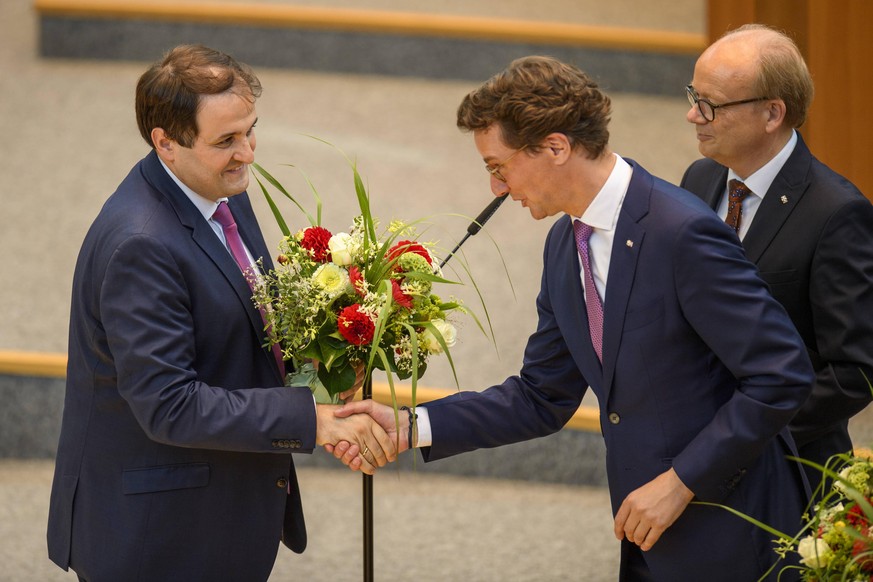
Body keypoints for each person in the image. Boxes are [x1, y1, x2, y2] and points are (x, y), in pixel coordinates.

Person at [330, 56, 814, 580]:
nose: (496, 187)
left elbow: (780, 375)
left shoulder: (681, 233)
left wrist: (680, 483)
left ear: (556, 147)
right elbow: (542, 396)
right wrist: (409, 427)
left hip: (733, 530)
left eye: (498, 166)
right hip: (646, 535)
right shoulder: (566, 243)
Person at [46, 45, 395, 581]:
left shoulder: (218, 188)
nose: (248, 153)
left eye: (250, 130)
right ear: (165, 143)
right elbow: (169, 406)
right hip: (159, 536)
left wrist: (330, 374)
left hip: (214, 511)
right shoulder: (141, 246)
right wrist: (311, 421)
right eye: (226, 141)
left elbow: (246, 320)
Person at [680, 24, 873, 487]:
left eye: (710, 104)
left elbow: (855, 370)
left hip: (785, 469)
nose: (692, 115)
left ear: (772, 114)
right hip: (689, 450)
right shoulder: (699, 179)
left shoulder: (837, 212)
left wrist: (740, 437)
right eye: (693, 95)